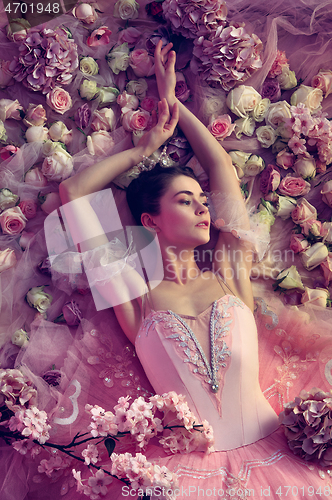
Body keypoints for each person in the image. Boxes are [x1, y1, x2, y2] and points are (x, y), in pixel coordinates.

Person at [56, 41, 332, 499]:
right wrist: (144, 148)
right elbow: (74, 193)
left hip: (281, 459)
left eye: (203, 201)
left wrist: (175, 105)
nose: (204, 209)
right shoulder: (134, 295)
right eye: (186, 201)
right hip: (188, 477)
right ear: (150, 221)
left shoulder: (229, 271)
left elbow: (220, 165)